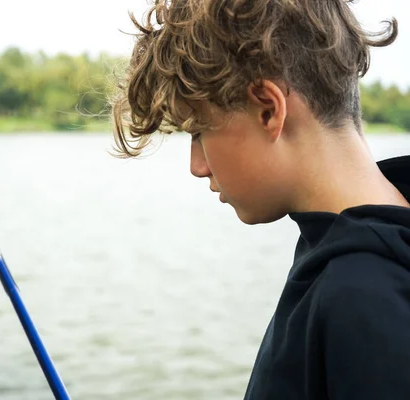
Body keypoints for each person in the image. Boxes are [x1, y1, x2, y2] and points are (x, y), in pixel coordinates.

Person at [110, 1, 410, 399]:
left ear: (269, 110)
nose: (197, 166)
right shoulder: (349, 242)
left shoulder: (360, 297)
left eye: (199, 131)